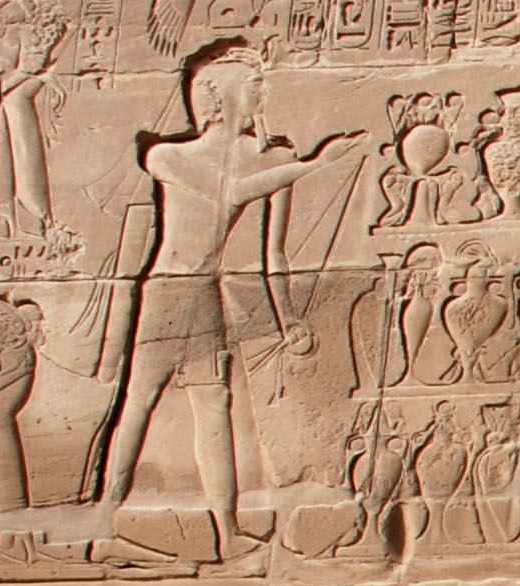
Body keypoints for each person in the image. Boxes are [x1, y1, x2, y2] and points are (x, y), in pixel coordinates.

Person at [90, 50, 361, 537]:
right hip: (168, 291)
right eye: (254, 83)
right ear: (224, 93)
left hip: (205, 293)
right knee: (141, 398)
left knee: (214, 403)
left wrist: (288, 317)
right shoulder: (167, 156)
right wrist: (315, 165)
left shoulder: (273, 159)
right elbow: (230, 192)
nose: (264, 92)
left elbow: (274, 252)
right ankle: (105, 515)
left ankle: (227, 529)